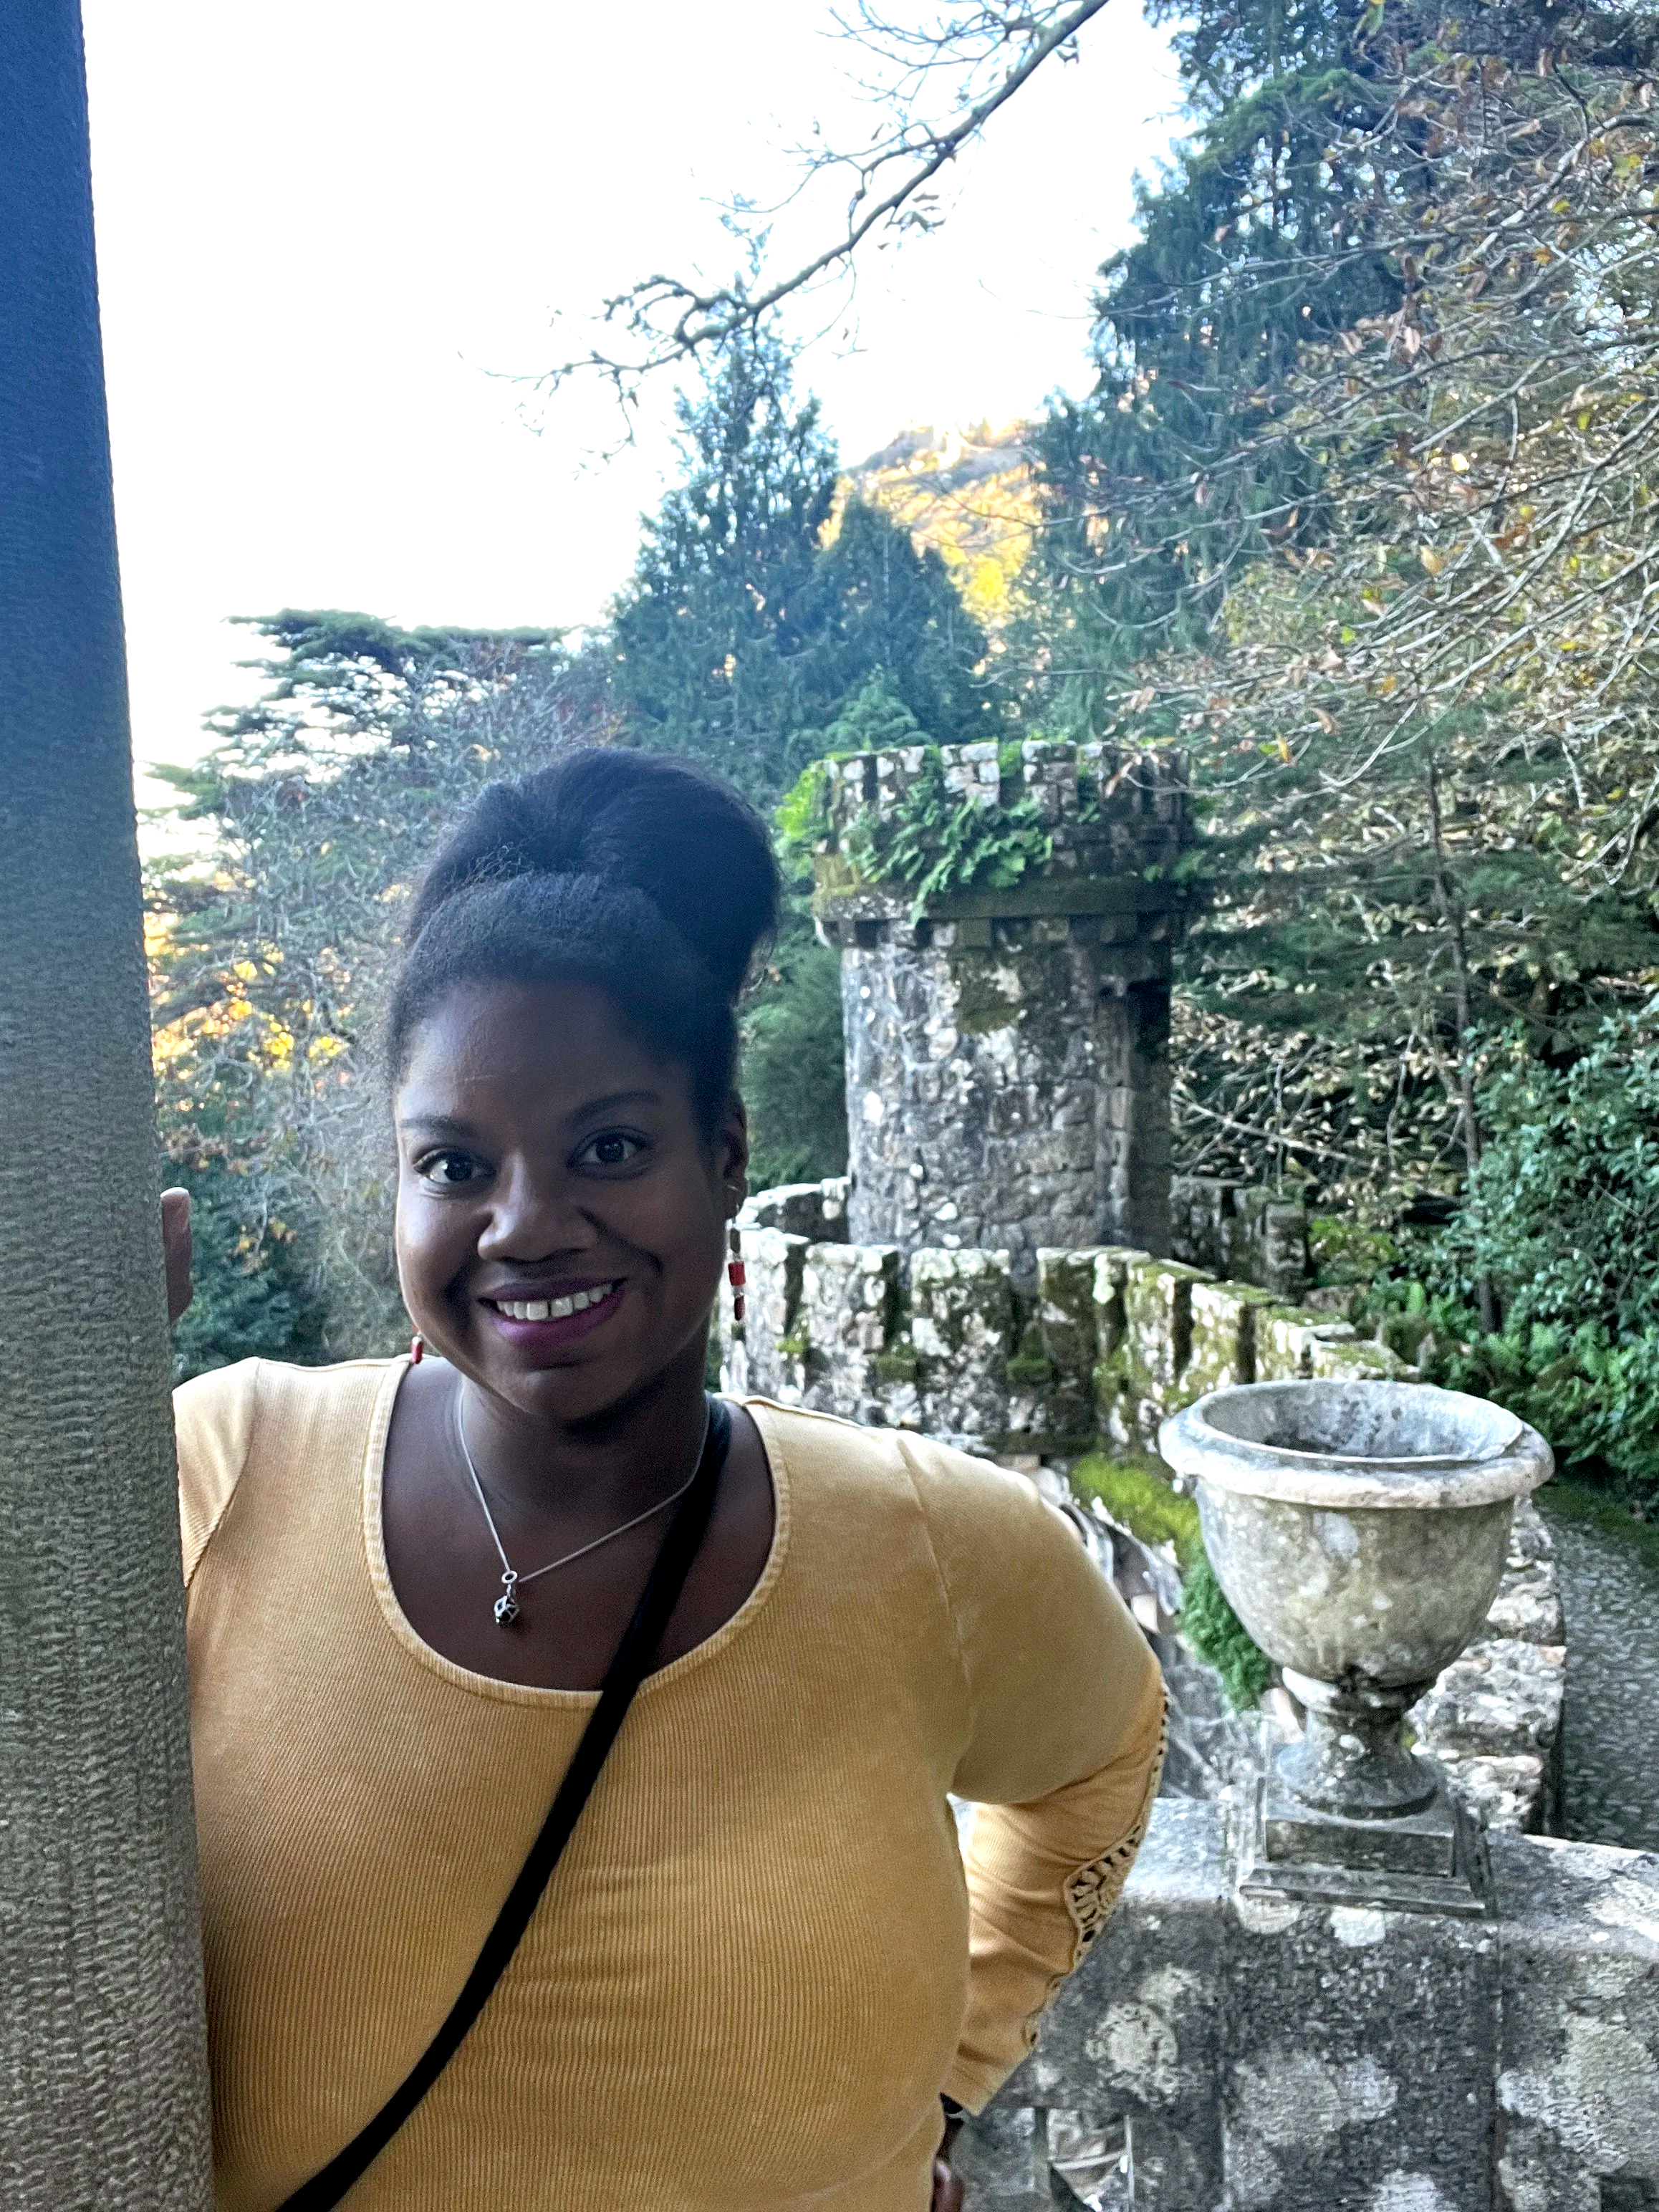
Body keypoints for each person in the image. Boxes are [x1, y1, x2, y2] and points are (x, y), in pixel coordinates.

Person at [165, 748, 1166, 2212]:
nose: (528, 1224)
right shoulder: (225, 1470)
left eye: (610, 1146)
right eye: (453, 1163)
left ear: (726, 1155)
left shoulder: (935, 1547)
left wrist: (951, 2062)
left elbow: (1102, 1759)